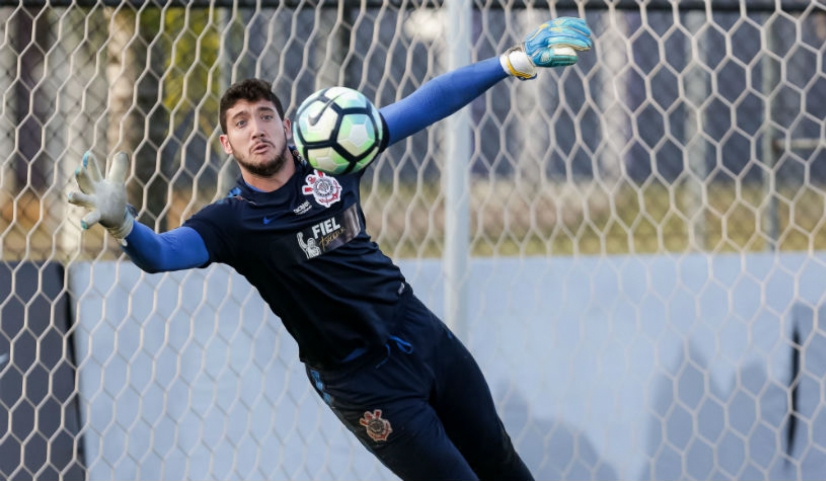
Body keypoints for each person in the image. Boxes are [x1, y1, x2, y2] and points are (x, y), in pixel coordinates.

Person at [69, 16, 592, 481]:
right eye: (241, 122)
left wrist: (512, 61)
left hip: (421, 334)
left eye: (265, 115)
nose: (257, 129)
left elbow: (427, 102)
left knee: (500, 461)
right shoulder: (231, 222)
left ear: (286, 122)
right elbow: (161, 255)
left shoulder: (334, 154)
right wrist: (125, 226)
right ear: (226, 144)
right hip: (362, 382)